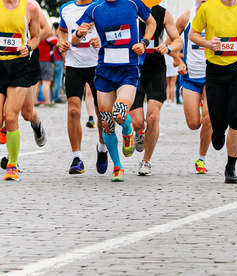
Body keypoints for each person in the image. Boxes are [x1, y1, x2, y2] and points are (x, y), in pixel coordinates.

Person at [74, 0, 155, 182]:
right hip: (104, 70)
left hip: (128, 69)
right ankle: (117, 166)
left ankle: (127, 129)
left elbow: (152, 23)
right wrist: (79, 33)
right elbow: (74, 39)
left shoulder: (133, 4)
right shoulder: (94, 8)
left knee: (119, 113)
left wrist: (144, 42)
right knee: (107, 122)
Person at [189, 0, 237, 183]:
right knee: (217, 120)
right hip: (214, 71)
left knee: (236, 117)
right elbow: (193, 34)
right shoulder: (208, 7)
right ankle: (218, 131)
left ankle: (230, 168)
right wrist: (207, 43)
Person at [0, 0, 42, 180]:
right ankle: (3, 128)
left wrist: (28, 47)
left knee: (11, 116)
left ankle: (12, 165)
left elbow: (36, 36)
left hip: (20, 67)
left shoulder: (31, 7)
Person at [129, 4, 182, 176]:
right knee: (137, 122)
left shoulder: (163, 13)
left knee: (153, 116)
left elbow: (177, 40)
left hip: (156, 69)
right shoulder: (128, 7)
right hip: (133, 68)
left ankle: (146, 161)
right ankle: (140, 131)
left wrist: (169, 48)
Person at [58, 0, 104, 175]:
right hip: (73, 66)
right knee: (73, 111)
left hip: (98, 65)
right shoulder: (66, 8)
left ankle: (102, 147)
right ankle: (77, 158)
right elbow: (62, 31)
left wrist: (100, 40)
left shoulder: (100, 6)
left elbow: (111, 30)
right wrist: (62, 43)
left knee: (102, 111)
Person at [175, 0, 211, 175]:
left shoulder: (219, 17)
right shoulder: (185, 18)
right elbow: (170, 42)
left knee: (208, 119)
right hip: (191, 76)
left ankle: (201, 159)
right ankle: (201, 107)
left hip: (213, 76)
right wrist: (179, 62)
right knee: (193, 124)